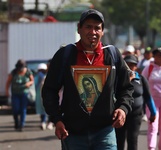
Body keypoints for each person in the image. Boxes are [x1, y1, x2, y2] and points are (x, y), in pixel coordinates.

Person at [42, 9, 133, 150]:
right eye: (88, 27)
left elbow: (126, 88)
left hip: (105, 132)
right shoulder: (65, 55)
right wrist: (57, 119)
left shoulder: (113, 55)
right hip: (72, 134)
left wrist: (122, 108)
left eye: (97, 28)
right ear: (79, 28)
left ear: (102, 31)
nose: (93, 32)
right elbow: (49, 90)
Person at [115, 54, 156, 150]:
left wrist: (153, 112)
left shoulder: (141, 79)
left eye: (132, 64)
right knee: (119, 140)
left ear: (136, 66)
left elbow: (148, 97)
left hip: (136, 115)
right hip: (120, 114)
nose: (129, 66)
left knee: (132, 139)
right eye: (127, 64)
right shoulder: (117, 79)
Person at [5, 59, 34, 131]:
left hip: (24, 92)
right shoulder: (13, 72)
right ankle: (16, 122)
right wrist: (7, 92)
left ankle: (22, 124)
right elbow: (8, 83)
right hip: (15, 93)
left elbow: (32, 81)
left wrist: (29, 83)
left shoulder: (28, 72)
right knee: (15, 109)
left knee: (23, 109)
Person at [34, 63, 48, 130]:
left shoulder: (37, 76)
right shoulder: (47, 75)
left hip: (39, 94)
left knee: (42, 109)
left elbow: (35, 85)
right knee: (45, 108)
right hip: (45, 94)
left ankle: (43, 122)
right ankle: (45, 122)